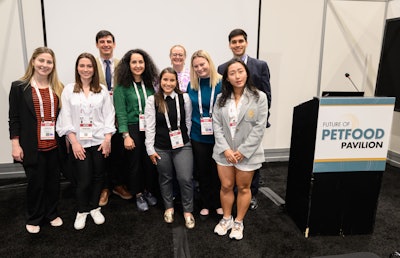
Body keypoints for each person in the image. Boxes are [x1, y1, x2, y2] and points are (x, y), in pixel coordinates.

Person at [56, 53, 116, 230]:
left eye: (89, 66)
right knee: (83, 180)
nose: (86, 69)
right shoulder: (69, 90)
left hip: (99, 141)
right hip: (79, 143)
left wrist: (107, 140)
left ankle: (95, 207)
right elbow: (65, 117)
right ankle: (82, 210)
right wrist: (74, 142)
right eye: (82, 65)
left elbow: (109, 115)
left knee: (98, 176)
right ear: (77, 68)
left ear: (94, 69)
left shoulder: (102, 90)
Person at [9, 47, 64, 234]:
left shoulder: (58, 87)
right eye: (41, 60)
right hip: (32, 146)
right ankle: (35, 217)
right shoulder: (19, 87)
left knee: (53, 182)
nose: (45, 65)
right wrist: (15, 144)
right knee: (36, 184)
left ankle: (51, 213)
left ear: (53, 65)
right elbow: (14, 118)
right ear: (33, 61)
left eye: (49, 62)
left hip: (54, 146)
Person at [213, 59, 268, 240]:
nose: (237, 76)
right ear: (227, 78)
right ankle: (227, 218)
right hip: (225, 152)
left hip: (248, 153)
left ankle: (238, 222)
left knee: (243, 188)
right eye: (232, 73)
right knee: (226, 186)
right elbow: (217, 125)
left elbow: (259, 128)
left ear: (246, 73)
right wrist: (226, 149)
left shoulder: (259, 97)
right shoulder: (221, 99)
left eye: (240, 71)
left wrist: (243, 150)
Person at [218, 28, 272, 211]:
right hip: (230, 121)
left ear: (246, 43)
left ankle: (252, 195)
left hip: (252, 122)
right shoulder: (222, 68)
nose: (237, 45)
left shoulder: (260, 65)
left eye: (241, 41)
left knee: (250, 167)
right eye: (234, 42)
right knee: (228, 177)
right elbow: (222, 99)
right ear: (230, 45)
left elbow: (267, 94)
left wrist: (262, 120)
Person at [144, 67, 195, 229]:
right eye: (165, 80)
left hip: (182, 145)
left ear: (176, 82)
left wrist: (186, 139)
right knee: (165, 178)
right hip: (160, 147)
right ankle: (169, 208)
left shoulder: (184, 98)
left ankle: (188, 211)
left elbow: (187, 122)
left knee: (185, 178)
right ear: (160, 81)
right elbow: (149, 126)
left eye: (172, 80)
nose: (168, 83)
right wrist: (150, 149)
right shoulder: (153, 100)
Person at [113, 49, 158, 212]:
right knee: (134, 164)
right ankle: (138, 193)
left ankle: (148, 190)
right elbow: (120, 113)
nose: (138, 65)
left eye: (141, 62)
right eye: (134, 62)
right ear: (128, 65)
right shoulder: (121, 87)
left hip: (149, 127)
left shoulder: (150, 85)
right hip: (132, 128)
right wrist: (125, 135)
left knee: (149, 161)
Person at [95, 30, 132, 206]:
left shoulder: (121, 65)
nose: (106, 44)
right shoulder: (90, 65)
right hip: (97, 118)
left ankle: (117, 184)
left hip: (117, 116)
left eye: (109, 41)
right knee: (101, 154)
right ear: (97, 45)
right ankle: (104, 188)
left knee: (117, 153)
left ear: (114, 44)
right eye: (102, 42)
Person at [187, 50, 223, 219]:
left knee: (218, 171)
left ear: (209, 63)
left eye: (202, 64)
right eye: (196, 66)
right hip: (198, 135)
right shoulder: (192, 85)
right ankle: (205, 203)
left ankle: (218, 203)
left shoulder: (222, 82)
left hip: (219, 135)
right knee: (202, 171)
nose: (200, 68)